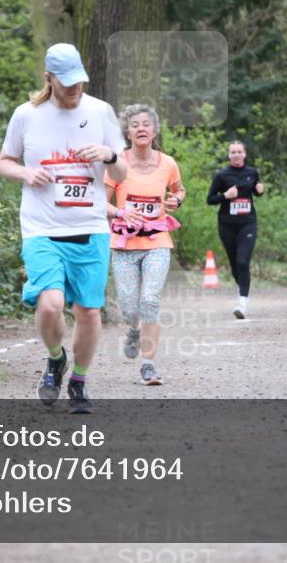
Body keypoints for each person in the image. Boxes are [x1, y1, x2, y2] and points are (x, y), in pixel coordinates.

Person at [0, 43, 127, 413]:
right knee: (51, 306)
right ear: (48, 78)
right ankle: (56, 359)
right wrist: (25, 171)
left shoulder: (100, 111)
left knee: (88, 312)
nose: (75, 89)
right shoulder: (26, 115)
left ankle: (80, 382)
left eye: (79, 82)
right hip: (41, 227)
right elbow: (6, 161)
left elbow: (121, 172)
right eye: (66, 83)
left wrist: (109, 155)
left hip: (90, 226)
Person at [105, 104, 185, 386]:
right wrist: (121, 212)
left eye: (146, 124)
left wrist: (177, 200)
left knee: (150, 300)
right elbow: (100, 202)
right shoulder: (117, 165)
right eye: (135, 124)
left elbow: (179, 190)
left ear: (154, 130)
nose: (141, 128)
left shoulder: (168, 163)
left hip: (157, 242)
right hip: (124, 244)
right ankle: (133, 329)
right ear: (127, 132)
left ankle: (149, 365)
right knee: (129, 307)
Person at [207, 140, 265, 319]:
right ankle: (243, 289)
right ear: (229, 155)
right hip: (227, 225)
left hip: (247, 223)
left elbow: (257, 190)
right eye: (233, 152)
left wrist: (260, 191)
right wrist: (225, 196)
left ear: (244, 154)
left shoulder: (252, 173)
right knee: (234, 265)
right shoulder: (222, 175)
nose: (236, 155)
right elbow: (210, 199)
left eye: (239, 152)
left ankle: (242, 302)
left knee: (242, 262)